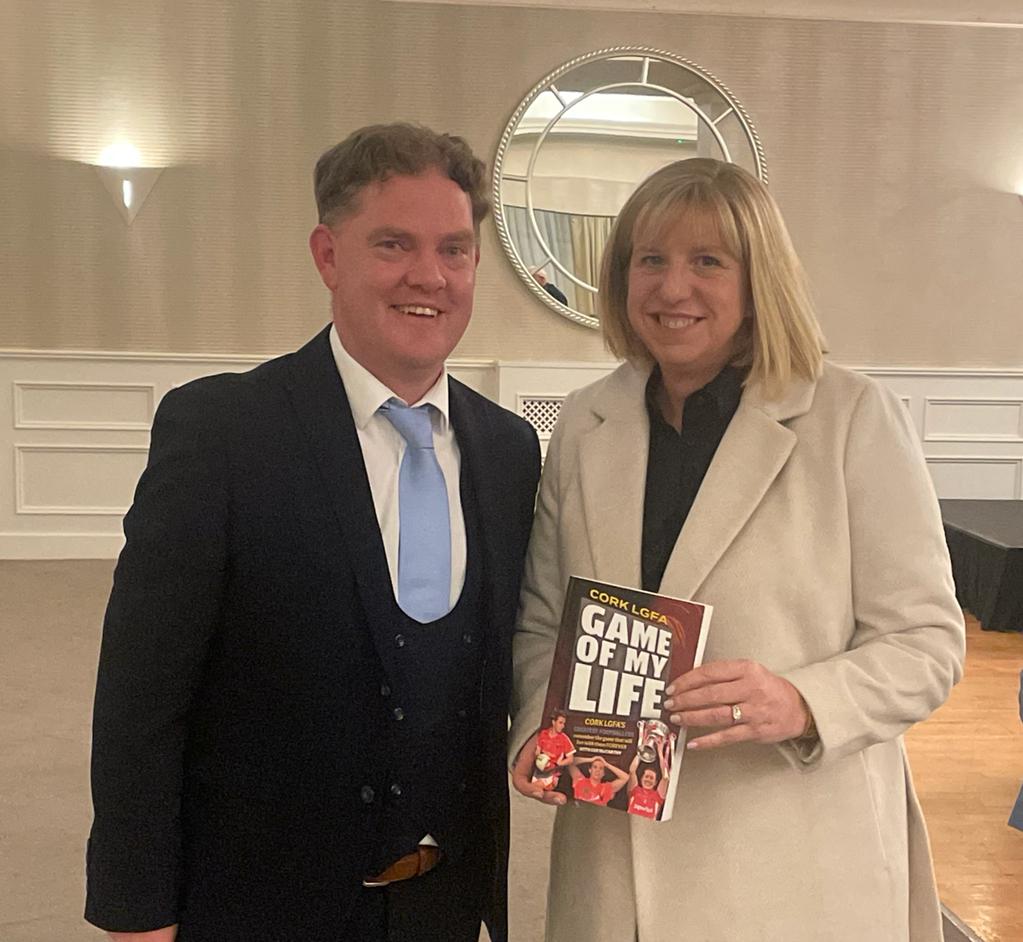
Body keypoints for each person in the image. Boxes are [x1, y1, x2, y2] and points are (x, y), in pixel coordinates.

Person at [85, 123, 541, 942]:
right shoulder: (221, 429)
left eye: (454, 249)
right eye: (393, 244)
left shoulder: (509, 451)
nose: (428, 276)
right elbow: (140, 696)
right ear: (328, 255)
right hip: (260, 902)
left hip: (443, 904)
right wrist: (135, 906)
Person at [510, 157, 965, 940]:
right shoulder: (587, 426)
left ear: (759, 282)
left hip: (788, 865)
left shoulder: (851, 418)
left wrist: (800, 701)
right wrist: (539, 726)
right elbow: (543, 623)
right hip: (611, 860)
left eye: (707, 262)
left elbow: (925, 643)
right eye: (649, 260)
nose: (671, 287)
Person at [530, 709, 576, 792]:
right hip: (539, 770)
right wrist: (538, 756)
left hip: (552, 774)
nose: (563, 726)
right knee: (532, 790)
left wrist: (560, 763)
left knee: (534, 788)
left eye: (564, 723)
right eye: (560, 723)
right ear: (553, 722)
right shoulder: (543, 734)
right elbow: (538, 750)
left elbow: (571, 759)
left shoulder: (564, 739)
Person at [627, 736, 669, 820]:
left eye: (651, 778)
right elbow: (632, 770)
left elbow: (665, 777)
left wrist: (660, 753)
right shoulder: (634, 790)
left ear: (655, 782)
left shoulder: (658, 796)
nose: (648, 780)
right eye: (646, 777)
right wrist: (643, 749)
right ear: (641, 778)